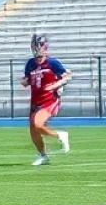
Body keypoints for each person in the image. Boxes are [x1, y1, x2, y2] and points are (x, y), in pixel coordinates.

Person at [21, 33, 71, 166]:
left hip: (49, 100)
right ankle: (43, 156)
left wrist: (56, 85)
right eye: (34, 46)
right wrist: (24, 81)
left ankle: (60, 136)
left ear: (45, 47)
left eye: (38, 46)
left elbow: (66, 77)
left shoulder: (52, 63)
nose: (36, 49)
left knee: (38, 124)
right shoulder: (30, 64)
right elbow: (28, 80)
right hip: (35, 100)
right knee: (33, 129)